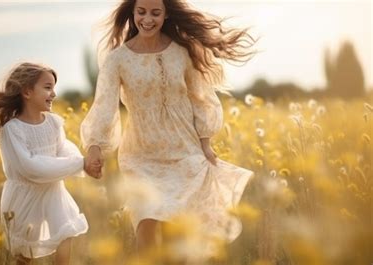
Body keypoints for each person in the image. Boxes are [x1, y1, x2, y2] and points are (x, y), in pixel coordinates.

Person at [80, 0, 255, 257]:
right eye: (141, 12)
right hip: (140, 156)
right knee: (146, 220)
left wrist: (205, 143)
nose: (147, 19)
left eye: (155, 12)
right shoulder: (117, 59)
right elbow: (104, 105)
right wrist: (95, 146)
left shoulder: (182, 52)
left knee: (180, 233)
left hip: (184, 151)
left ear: (166, 14)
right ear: (132, 13)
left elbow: (200, 98)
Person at [0, 62, 99, 265]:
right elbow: (31, 168)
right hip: (25, 197)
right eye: (47, 87)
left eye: (54, 87)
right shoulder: (12, 130)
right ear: (27, 92)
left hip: (53, 190)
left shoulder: (53, 122)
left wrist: (85, 163)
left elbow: (63, 147)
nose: (54, 93)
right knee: (24, 253)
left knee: (66, 232)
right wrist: (79, 164)